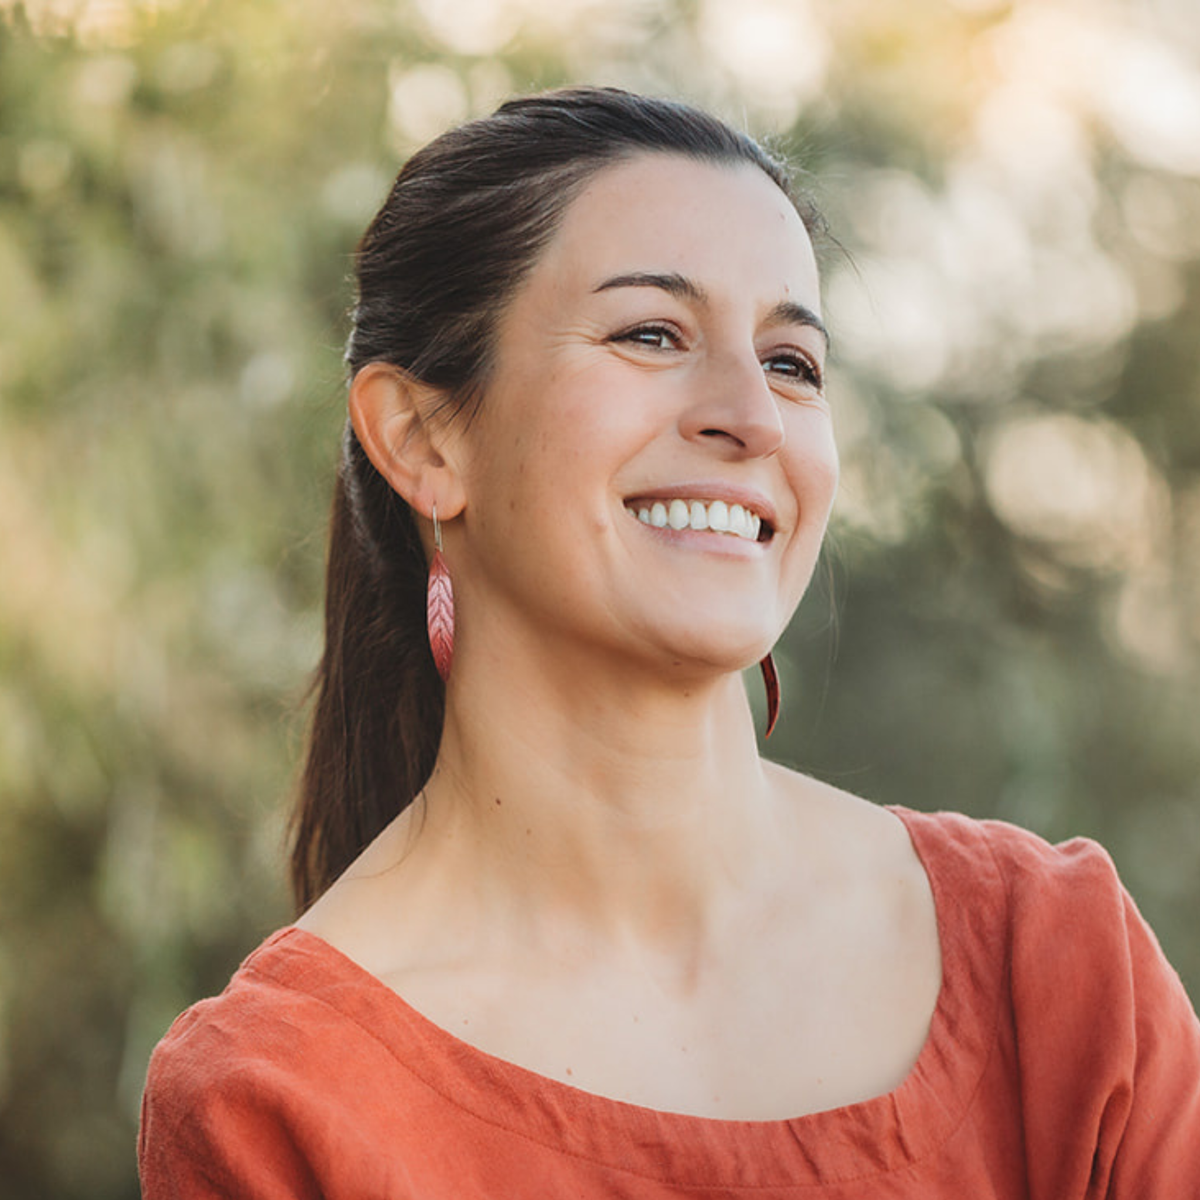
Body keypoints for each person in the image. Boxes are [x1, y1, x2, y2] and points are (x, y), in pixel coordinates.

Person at [138, 87, 1200, 1197]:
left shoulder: (1057, 964)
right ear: (422, 438)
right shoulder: (278, 1100)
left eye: (793, 363)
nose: (751, 415)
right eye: (651, 334)